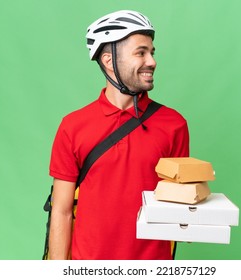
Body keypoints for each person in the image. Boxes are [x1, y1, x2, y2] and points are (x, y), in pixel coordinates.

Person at [48, 10, 189, 260]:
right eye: (141, 52)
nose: (152, 61)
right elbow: (61, 211)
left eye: (152, 52)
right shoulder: (73, 126)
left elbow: (178, 203)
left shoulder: (174, 125)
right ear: (109, 60)